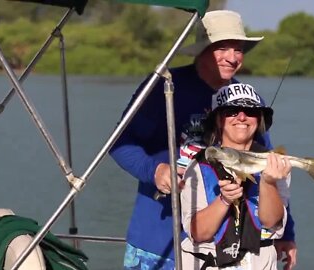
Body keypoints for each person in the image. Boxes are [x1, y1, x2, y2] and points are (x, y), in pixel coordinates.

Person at [109, 10, 296, 270]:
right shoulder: (163, 87)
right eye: (222, 48)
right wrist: (155, 171)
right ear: (202, 49)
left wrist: (287, 235)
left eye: (239, 49)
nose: (232, 58)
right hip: (158, 242)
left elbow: (266, 164)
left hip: (222, 251)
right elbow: (119, 143)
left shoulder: (248, 104)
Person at [180, 83, 292, 269]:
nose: (241, 117)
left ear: (259, 119)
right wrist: (224, 199)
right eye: (231, 111)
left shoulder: (274, 164)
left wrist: (268, 181)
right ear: (217, 119)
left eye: (250, 111)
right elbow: (198, 232)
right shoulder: (197, 167)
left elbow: (271, 221)